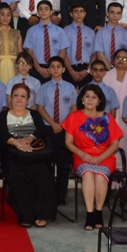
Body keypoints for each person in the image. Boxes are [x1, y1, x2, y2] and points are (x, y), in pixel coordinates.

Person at [63, 84, 124, 230]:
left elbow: (114, 145)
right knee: (88, 173)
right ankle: (90, 214)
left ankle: (99, 212)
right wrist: (82, 154)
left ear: (99, 101)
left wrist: (100, 157)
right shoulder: (74, 117)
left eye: (94, 97)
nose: (90, 100)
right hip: (82, 155)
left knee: (100, 176)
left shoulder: (107, 117)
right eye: (87, 96)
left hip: (105, 156)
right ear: (82, 99)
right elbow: (68, 143)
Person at [0, 83, 56, 227]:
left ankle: (41, 214)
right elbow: (0, 134)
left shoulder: (34, 114)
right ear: (10, 98)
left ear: (28, 100)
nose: (19, 99)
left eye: (23, 96)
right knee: (16, 174)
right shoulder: (4, 115)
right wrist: (16, 143)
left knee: (43, 172)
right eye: (16, 95)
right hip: (13, 157)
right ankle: (26, 215)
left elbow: (42, 130)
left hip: (35, 155)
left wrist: (28, 139)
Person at [37, 56, 79, 205]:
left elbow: (74, 108)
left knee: (63, 165)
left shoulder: (70, 87)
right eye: (52, 66)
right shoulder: (43, 88)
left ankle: (60, 196)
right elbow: (40, 108)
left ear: (63, 69)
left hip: (64, 130)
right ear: (48, 69)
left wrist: (62, 125)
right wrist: (53, 124)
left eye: (58, 66)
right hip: (48, 129)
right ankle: (48, 194)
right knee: (46, 164)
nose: (55, 69)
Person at [24, 0, 68, 83]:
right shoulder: (31, 31)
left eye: (46, 9)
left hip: (55, 70)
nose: (43, 11)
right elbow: (29, 52)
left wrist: (54, 67)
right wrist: (39, 69)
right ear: (37, 13)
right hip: (37, 68)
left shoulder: (59, 31)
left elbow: (63, 51)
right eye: (41, 9)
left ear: (51, 12)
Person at [0, 2, 23, 84]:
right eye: (2, 14)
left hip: (14, 68)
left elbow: (21, 53)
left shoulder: (17, 33)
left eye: (8, 15)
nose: (5, 17)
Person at [102, 49, 127, 127]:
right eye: (118, 57)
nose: (121, 60)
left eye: (124, 58)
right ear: (113, 60)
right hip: (108, 114)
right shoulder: (105, 76)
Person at [63, 3, 95, 87]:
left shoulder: (91, 32)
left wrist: (88, 70)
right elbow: (63, 54)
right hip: (69, 68)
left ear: (85, 14)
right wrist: (71, 71)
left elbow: (94, 54)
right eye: (76, 11)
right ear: (71, 14)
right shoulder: (65, 31)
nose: (79, 14)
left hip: (86, 69)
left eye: (81, 11)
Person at [93, 2, 127, 69]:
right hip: (105, 69)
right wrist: (110, 69)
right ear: (107, 13)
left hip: (120, 69)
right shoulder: (100, 33)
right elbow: (100, 54)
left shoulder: (125, 34)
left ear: (121, 15)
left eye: (118, 13)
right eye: (112, 12)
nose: (115, 15)